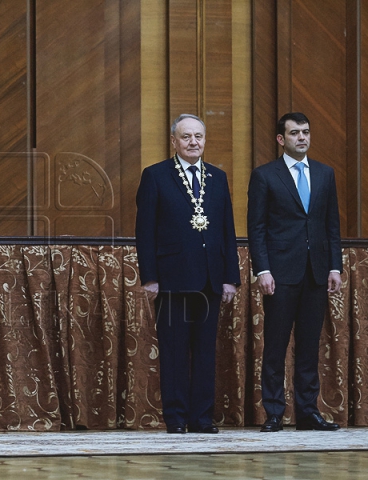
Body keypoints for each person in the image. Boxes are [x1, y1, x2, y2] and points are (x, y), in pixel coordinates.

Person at [135, 114, 240, 434]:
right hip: (171, 279)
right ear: (174, 142)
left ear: (205, 140)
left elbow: (227, 231)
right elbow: (145, 231)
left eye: (198, 136)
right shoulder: (155, 176)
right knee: (175, 352)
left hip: (209, 278)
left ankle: (202, 418)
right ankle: (177, 418)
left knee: (206, 353)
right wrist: (149, 276)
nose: (193, 142)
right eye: (186, 137)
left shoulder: (218, 177)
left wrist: (230, 277)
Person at [247, 112, 342, 432]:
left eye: (306, 132)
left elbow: (331, 225)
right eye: (294, 133)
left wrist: (334, 266)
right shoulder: (264, 175)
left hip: (316, 273)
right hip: (280, 273)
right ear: (280, 139)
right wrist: (262, 270)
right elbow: (256, 228)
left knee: (308, 345)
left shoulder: (325, 174)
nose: (302, 137)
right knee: (274, 345)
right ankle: (273, 412)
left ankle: (307, 412)